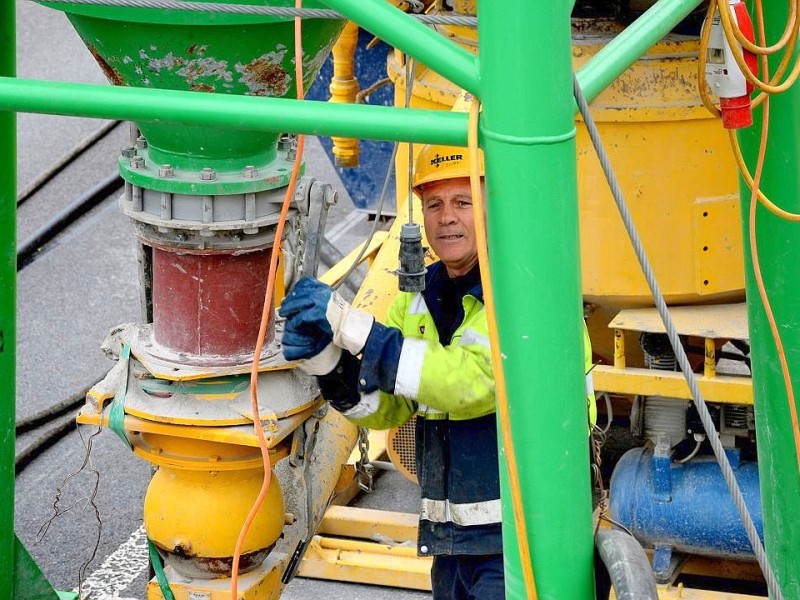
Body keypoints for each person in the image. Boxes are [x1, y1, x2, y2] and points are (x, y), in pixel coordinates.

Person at [278, 144, 596, 599]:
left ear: (492, 206)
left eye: (462, 202)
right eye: (434, 204)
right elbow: (386, 408)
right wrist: (326, 361)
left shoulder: (527, 289)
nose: (447, 217)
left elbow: (470, 384)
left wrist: (350, 325)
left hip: (527, 541)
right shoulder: (417, 298)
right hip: (454, 544)